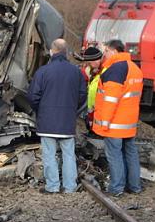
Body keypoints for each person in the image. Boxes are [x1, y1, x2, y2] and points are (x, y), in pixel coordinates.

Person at [28, 39, 87, 193]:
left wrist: (40, 110)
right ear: (66, 52)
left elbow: (33, 96)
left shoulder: (42, 72)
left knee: (49, 155)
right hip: (67, 121)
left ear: (52, 51)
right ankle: (70, 187)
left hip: (47, 121)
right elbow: (82, 95)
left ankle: (52, 186)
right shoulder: (76, 72)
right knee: (68, 154)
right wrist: (72, 110)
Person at [92, 39, 144, 197]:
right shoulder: (135, 69)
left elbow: (110, 100)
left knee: (114, 156)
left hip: (114, 123)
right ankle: (135, 187)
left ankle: (117, 188)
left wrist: (104, 123)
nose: (105, 55)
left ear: (113, 51)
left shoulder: (115, 70)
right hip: (129, 123)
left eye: (106, 51)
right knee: (131, 154)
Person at [73, 46, 104, 130]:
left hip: (99, 109)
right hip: (92, 109)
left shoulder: (104, 72)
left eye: (89, 63)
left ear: (96, 60)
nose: (88, 65)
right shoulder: (92, 71)